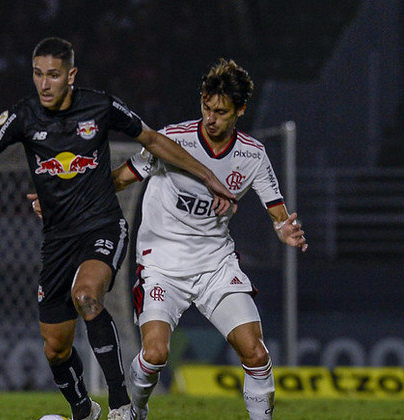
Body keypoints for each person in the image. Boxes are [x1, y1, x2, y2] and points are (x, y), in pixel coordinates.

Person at [0, 37, 236, 420]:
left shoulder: (100, 106)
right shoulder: (23, 116)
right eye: (38, 74)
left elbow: (152, 140)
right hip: (58, 240)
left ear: (71, 75)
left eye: (53, 75)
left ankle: (120, 405)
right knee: (55, 347)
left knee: (87, 295)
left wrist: (208, 175)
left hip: (103, 225)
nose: (44, 84)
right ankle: (84, 411)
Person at [115, 58, 308, 419]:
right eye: (206, 107)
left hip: (215, 266)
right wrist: (70, 196)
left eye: (221, 111)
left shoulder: (252, 155)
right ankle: (134, 411)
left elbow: (278, 214)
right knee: (155, 355)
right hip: (161, 266)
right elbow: (121, 178)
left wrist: (286, 232)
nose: (211, 118)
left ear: (240, 110)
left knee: (256, 353)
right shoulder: (173, 140)